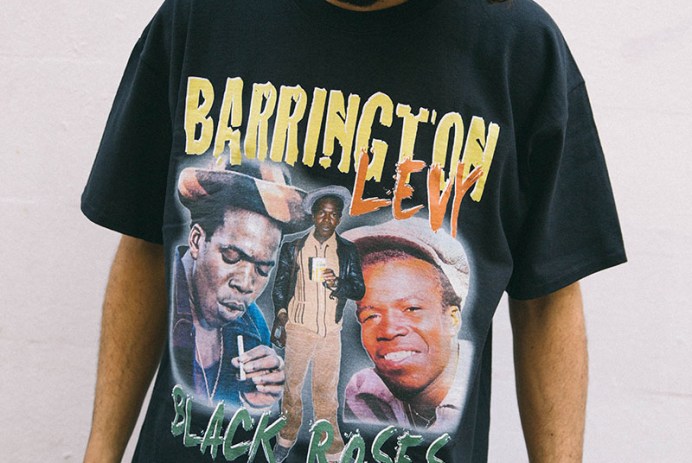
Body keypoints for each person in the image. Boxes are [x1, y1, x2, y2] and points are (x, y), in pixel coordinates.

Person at [81, 0, 626, 462]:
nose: (248, 277)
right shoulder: (203, 14)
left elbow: (547, 300)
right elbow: (145, 246)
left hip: (327, 337)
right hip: (270, 358)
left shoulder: (519, 48)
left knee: (322, 387)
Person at [171, 161, 311, 409]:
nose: (246, 284)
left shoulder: (254, 325)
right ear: (196, 240)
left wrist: (260, 402)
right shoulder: (158, 298)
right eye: (232, 256)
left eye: (263, 268)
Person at [341, 219, 473, 433]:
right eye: (371, 315)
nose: (389, 330)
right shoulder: (365, 394)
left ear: (452, 320)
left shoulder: (482, 392)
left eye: (411, 308)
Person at [270, 187, 365, 462]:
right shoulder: (294, 247)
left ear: (340, 219)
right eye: (322, 212)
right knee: (292, 389)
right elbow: (280, 287)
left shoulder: (347, 251)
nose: (327, 219)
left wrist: (339, 284)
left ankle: (332, 449)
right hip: (298, 329)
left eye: (333, 214)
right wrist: (282, 314)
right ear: (313, 215)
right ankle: (286, 437)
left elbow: (359, 289)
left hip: (330, 333)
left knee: (326, 394)